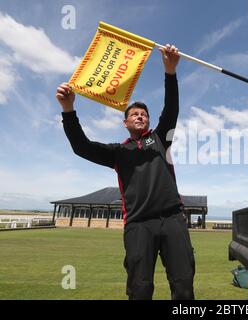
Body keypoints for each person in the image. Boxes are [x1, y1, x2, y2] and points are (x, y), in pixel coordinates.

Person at [55, 44, 195, 300]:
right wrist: (68, 110)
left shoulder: (161, 139)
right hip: (139, 225)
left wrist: (170, 71)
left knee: (184, 286)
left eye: (144, 114)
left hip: (173, 219)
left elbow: (171, 109)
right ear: (125, 122)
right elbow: (81, 146)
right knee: (139, 289)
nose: (140, 116)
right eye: (135, 114)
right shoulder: (117, 152)